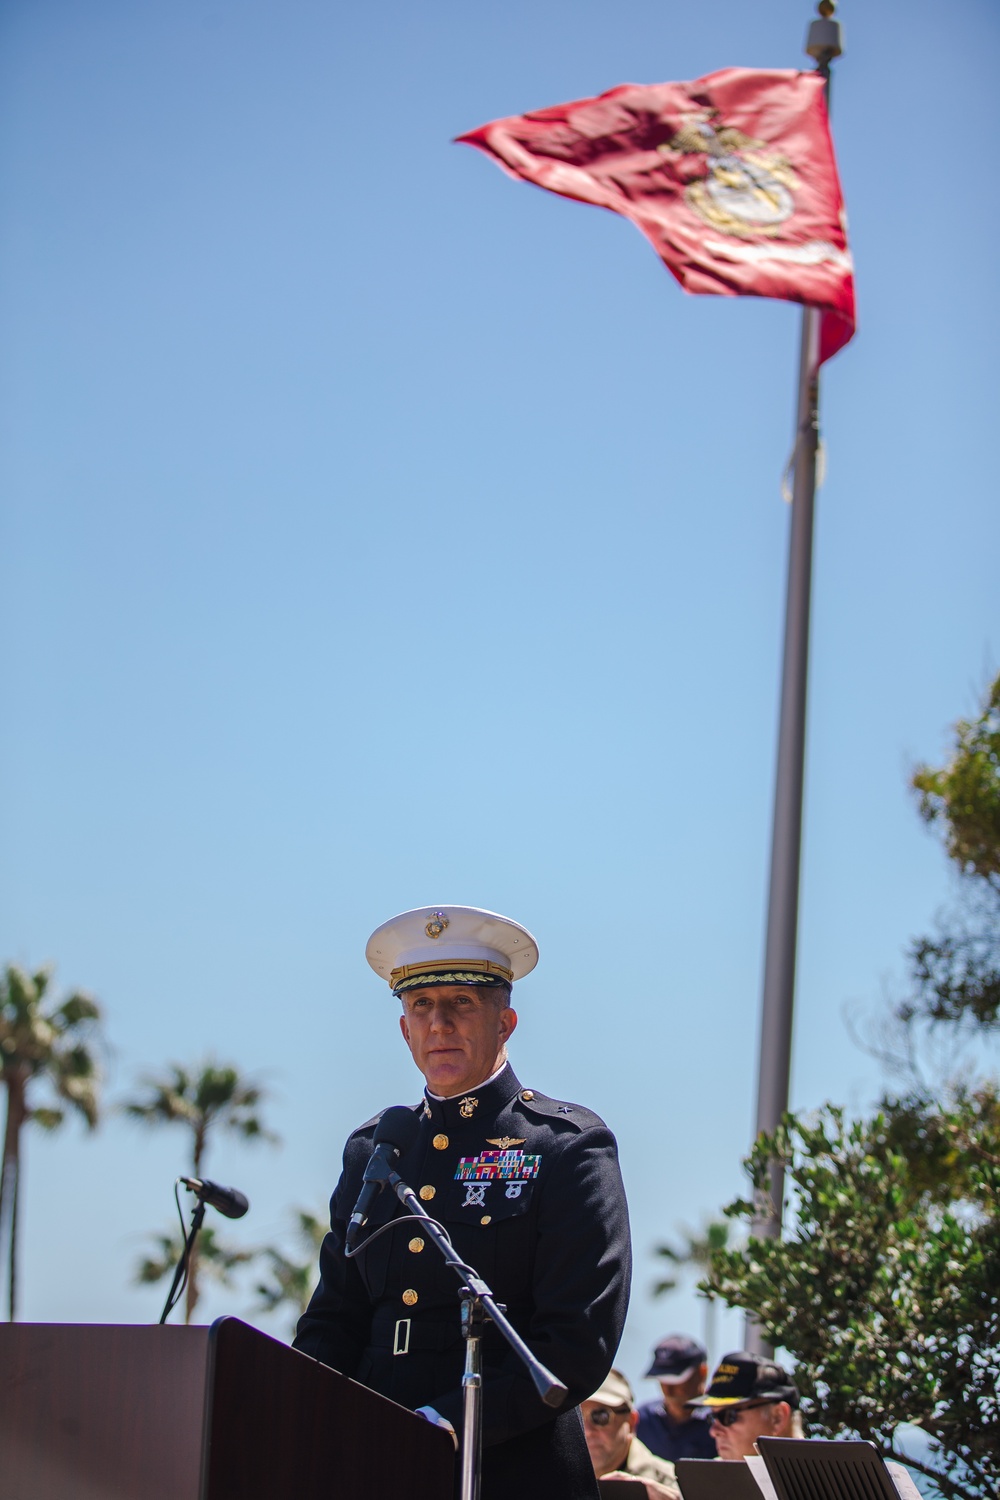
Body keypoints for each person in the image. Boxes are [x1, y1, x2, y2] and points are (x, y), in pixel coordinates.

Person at [293, 905, 632, 1500]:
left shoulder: (566, 1148)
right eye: (421, 1006)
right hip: (371, 1461)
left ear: (506, 1022)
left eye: (462, 1004)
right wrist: (297, 1414)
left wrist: (440, 1424)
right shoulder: (375, 1150)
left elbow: (576, 1346)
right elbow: (333, 1319)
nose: (439, 1025)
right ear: (404, 1030)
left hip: (509, 1470)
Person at [685, 1351, 803, 1461]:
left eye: (729, 1416)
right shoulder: (708, 1478)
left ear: (778, 1417)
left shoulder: (818, 1479)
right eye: (711, 1417)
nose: (713, 1431)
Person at [582, 1369, 680, 1499]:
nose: (587, 1431)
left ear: (631, 1422)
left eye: (600, 1416)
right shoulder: (553, 1479)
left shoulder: (672, 1485)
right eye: (576, 1419)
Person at [636, 1334, 717, 1462]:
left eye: (675, 1380)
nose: (668, 1390)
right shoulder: (642, 1419)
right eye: (662, 1380)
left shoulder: (722, 1421)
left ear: (702, 1373)